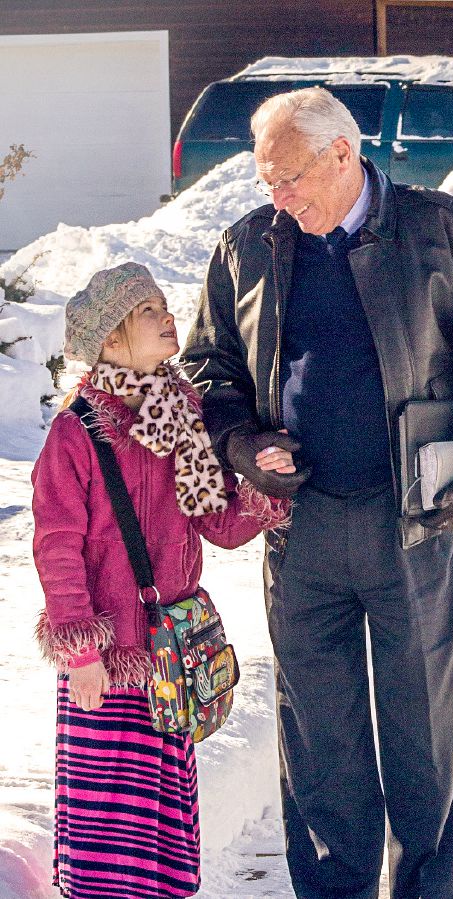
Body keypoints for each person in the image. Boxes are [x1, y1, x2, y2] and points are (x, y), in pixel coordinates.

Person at [180, 87, 453, 899]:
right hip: (300, 531)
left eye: (290, 178)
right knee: (320, 741)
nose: (278, 197)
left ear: (342, 154)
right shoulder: (248, 248)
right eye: (267, 181)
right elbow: (211, 368)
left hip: (413, 524)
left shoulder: (445, 233)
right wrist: (242, 443)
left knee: (424, 738)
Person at [32, 262, 290, 899]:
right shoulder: (77, 432)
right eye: (147, 309)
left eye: (161, 304)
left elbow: (221, 526)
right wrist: (81, 652)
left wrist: (266, 479)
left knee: (160, 835)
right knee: (105, 835)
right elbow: (57, 547)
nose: (168, 315)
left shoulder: (180, 415)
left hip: (172, 659)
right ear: (112, 339)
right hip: (109, 663)